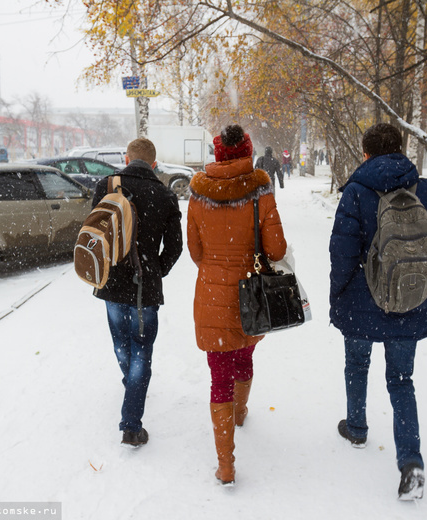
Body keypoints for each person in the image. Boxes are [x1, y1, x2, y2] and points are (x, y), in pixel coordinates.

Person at [329, 123, 427, 500]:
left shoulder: (356, 192)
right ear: (400, 150)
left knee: (357, 364)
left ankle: (356, 427)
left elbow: (343, 254)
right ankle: (411, 463)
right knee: (401, 381)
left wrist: (340, 292)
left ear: (366, 154)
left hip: (360, 302)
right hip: (410, 302)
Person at [187, 124, 287, 485]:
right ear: (247, 151)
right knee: (244, 354)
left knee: (219, 376)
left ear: (217, 154)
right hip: (251, 295)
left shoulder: (198, 191)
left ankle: (225, 464)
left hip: (213, 293)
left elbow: (195, 251)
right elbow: (276, 250)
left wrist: (217, 265)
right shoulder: (261, 189)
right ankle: (241, 411)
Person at [91, 137, 183, 448]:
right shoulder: (165, 195)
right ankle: (131, 425)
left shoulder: (106, 186)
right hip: (144, 288)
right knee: (142, 352)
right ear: (154, 164)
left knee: (122, 344)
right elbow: (174, 247)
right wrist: (155, 270)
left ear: (127, 158)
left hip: (109, 283)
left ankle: (131, 382)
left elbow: (92, 233)